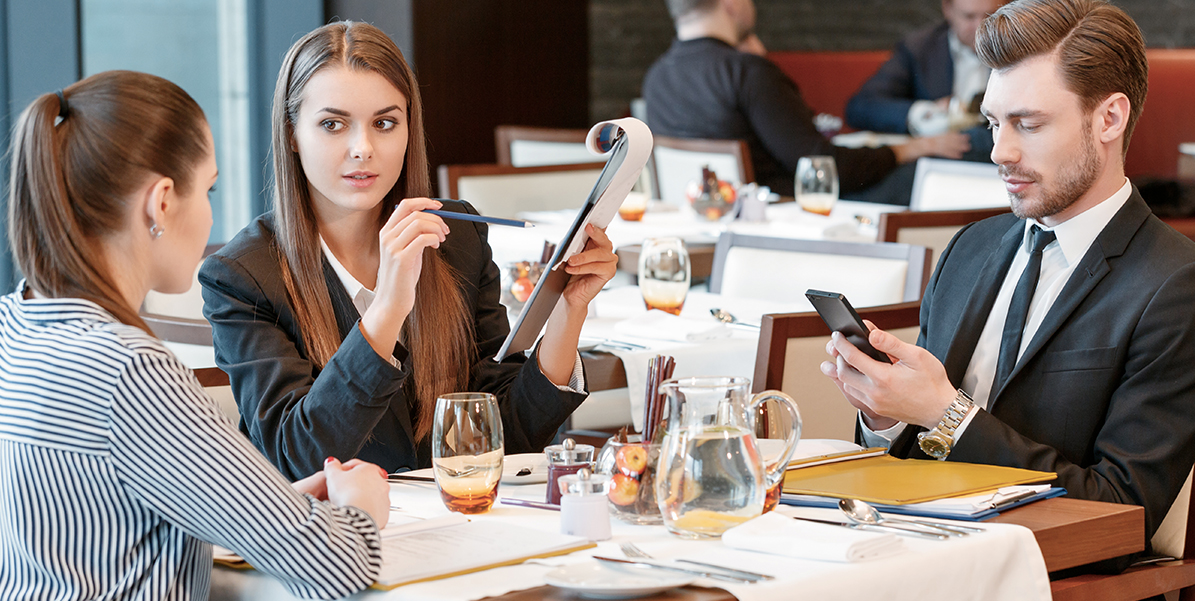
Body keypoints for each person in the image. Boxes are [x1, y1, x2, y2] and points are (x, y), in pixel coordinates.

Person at [822, 0, 1195, 556]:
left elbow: (1123, 507)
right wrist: (886, 416)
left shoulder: (1175, 284)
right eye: (995, 123)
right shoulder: (969, 248)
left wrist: (944, 414)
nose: (1000, 151)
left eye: (1028, 123)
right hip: (919, 549)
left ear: (1109, 119)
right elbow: (912, 459)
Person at [0, 71, 389, 599]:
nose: (212, 215)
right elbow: (336, 566)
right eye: (208, 189)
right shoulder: (129, 371)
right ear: (161, 202)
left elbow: (102, 522)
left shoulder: (14, 326)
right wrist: (360, 506)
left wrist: (270, 505)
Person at [199, 22, 618, 481]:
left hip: (457, 526)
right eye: (333, 124)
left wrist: (569, 308)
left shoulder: (455, 236)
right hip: (335, 539)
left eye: (384, 123)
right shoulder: (243, 276)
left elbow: (506, 434)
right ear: (293, 133)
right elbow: (296, 458)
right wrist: (389, 307)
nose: (363, 149)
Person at [643, 0, 971, 202]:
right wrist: (914, 148)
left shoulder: (656, 76)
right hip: (782, 212)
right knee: (919, 175)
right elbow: (823, 166)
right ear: (731, 4)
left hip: (708, 214)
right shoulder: (747, 73)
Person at [845, 0, 1007, 139]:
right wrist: (920, 113)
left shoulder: (1022, 47)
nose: (980, 27)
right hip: (938, 157)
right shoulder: (919, 48)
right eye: (969, 17)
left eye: (990, 16)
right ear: (947, 9)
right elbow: (861, 107)